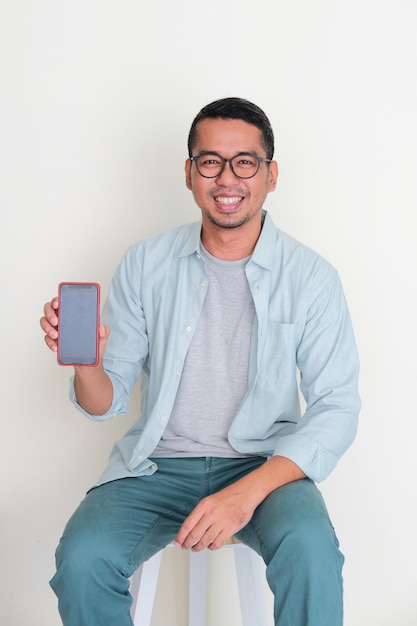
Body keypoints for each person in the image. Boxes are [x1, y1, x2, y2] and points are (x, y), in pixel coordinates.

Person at [40, 96, 360, 626]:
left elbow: (337, 407)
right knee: (82, 559)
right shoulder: (146, 263)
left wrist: (243, 496)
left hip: (264, 468)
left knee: (313, 552)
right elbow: (105, 401)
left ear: (271, 174)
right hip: (155, 468)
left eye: (245, 162)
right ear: (190, 174)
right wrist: (85, 361)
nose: (227, 178)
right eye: (210, 161)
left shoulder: (312, 278)